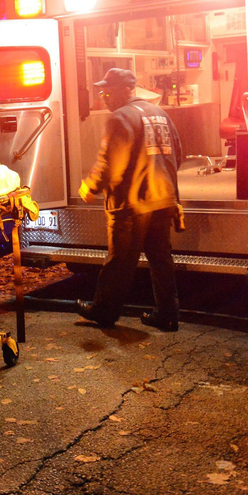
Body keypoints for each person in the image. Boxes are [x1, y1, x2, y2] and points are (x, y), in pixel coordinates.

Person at [75, 68, 183, 332]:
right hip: (162, 198)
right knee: (161, 260)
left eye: (108, 90)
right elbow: (178, 153)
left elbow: (111, 164)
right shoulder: (160, 114)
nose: (104, 96)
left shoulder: (120, 118)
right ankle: (168, 315)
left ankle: (104, 311)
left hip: (132, 204)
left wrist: (90, 186)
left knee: (120, 260)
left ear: (126, 90)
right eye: (102, 91)